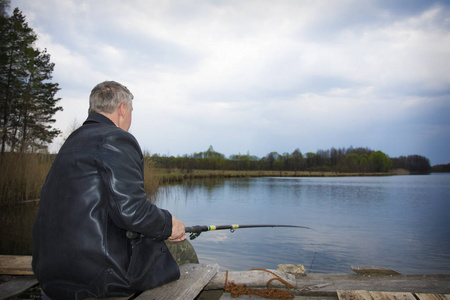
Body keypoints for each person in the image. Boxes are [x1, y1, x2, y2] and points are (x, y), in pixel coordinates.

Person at [32, 81, 197, 300]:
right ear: (122, 109)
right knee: (184, 250)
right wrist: (169, 224)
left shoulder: (71, 142)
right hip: (99, 279)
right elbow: (132, 210)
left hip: (50, 273)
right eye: (131, 111)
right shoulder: (116, 138)